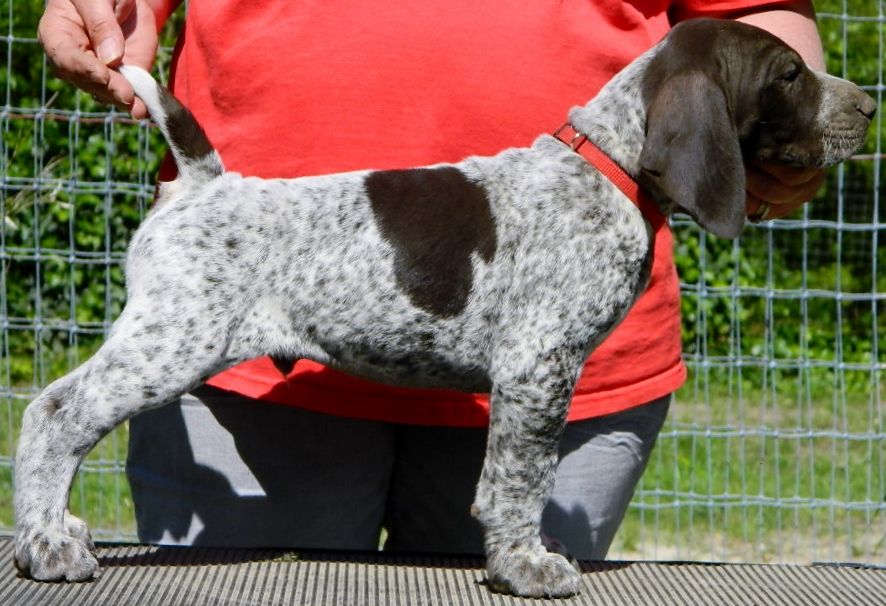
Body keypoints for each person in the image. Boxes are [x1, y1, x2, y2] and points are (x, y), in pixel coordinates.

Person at [38, 0, 827, 559]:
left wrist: (790, 107)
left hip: (596, 389)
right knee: (131, 389)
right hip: (245, 244)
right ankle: (43, 490)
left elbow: (750, 14)